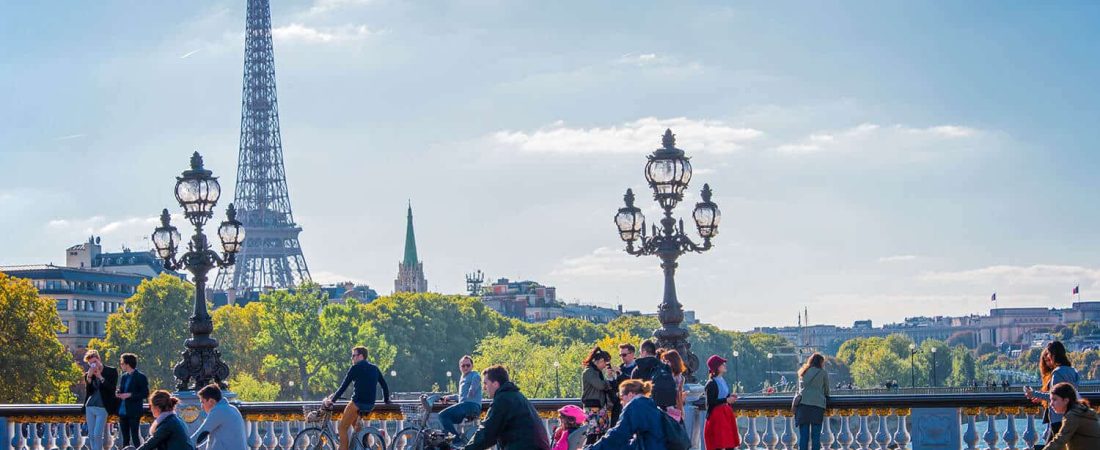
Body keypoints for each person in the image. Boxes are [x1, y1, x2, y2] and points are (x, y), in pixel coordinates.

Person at [461, 365, 550, 450]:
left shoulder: (502, 400)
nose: (484, 388)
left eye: (485, 383)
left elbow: (487, 433)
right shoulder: (516, 396)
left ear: (495, 384)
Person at [324, 346, 392, 450]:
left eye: (353, 356)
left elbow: (343, 386)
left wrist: (332, 401)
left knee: (342, 428)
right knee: (358, 429)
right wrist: (386, 400)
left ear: (361, 356)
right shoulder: (374, 368)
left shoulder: (355, 368)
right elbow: (384, 385)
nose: (352, 358)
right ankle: (365, 444)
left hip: (357, 403)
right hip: (370, 404)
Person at [1026, 341, 1081, 441]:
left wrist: (1033, 393)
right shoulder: (1073, 371)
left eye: (1049, 355)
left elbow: (1055, 396)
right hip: (1071, 416)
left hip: (1058, 418)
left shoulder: (1057, 373)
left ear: (1053, 355)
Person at [590, 380, 667, 450]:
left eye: (621, 397)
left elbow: (618, 434)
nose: (621, 402)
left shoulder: (634, 406)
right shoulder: (651, 405)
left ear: (630, 395)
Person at [1040, 382, 1100, 450]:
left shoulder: (1073, 415)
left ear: (1066, 401)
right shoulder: (1081, 411)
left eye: (1054, 399)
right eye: (1050, 400)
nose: (1051, 404)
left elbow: (1060, 440)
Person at [440, 355, 483, 445]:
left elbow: (476, 381)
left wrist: (472, 389)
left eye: (468, 365)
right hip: (465, 406)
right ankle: (451, 442)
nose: (465, 367)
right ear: (460, 367)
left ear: (472, 366)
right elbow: (461, 396)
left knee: (442, 415)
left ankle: (456, 441)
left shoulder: (474, 374)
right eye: (463, 366)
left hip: (470, 406)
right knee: (446, 420)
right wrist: (448, 397)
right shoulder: (462, 378)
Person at [190, 384, 247, 450]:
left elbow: (203, 433)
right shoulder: (232, 408)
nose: (201, 406)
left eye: (202, 402)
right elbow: (213, 439)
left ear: (211, 401)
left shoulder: (218, 410)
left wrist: (185, 444)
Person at [82, 350, 119, 450]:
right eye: (90, 364)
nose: (93, 365)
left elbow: (111, 389)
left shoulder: (111, 371)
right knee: (91, 435)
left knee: (97, 434)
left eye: (94, 362)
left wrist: (100, 377)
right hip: (90, 406)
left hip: (103, 407)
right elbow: (89, 391)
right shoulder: (89, 374)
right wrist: (89, 377)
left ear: (99, 359)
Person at [581, 346, 616, 445]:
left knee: (602, 435)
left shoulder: (597, 372)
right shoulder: (589, 372)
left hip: (600, 407)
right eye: (605, 363)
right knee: (591, 435)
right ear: (600, 360)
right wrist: (608, 380)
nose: (605, 366)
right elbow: (600, 385)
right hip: (592, 408)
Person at [704, 355, 739, 450]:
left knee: (729, 443)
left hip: (726, 414)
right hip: (717, 416)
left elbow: (723, 396)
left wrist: (730, 396)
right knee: (718, 444)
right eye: (722, 364)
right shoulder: (711, 383)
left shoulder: (722, 380)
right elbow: (710, 402)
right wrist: (726, 400)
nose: (725, 365)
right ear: (717, 367)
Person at [630, 340, 677, 411]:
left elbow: (633, 393)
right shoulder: (665, 367)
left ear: (644, 352)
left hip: (644, 410)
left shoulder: (637, 370)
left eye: (640, 352)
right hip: (662, 411)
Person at [795, 353, 829, 450]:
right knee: (816, 437)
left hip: (803, 406)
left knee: (804, 437)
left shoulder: (803, 371)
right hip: (817, 407)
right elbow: (827, 391)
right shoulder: (822, 373)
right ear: (820, 363)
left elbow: (799, 389)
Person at [117, 353, 149, 448]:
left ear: (127, 364)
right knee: (125, 437)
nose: (121, 365)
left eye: (122, 363)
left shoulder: (140, 377)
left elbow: (145, 393)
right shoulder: (124, 377)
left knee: (135, 436)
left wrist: (130, 395)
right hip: (123, 411)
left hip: (134, 411)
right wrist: (118, 393)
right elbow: (122, 390)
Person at [610, 343, 638, 425]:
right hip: (620, 403)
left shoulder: (638, 368)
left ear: (632, 354)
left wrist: (621, 374)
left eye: (624, 355)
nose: (622, 357)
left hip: (633, 403)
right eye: (620, 355)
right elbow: (615, 387)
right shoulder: (621, 367)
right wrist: (610, 377)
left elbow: (634, 383)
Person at [660, 350, 688, 423]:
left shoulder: (680, 378)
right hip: (665, 409)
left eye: (667, 361)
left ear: (674, 362)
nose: (665, 363)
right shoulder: (662, 376)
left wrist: (681, 410)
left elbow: (678, 397)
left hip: (673, 410)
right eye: (663, 361)